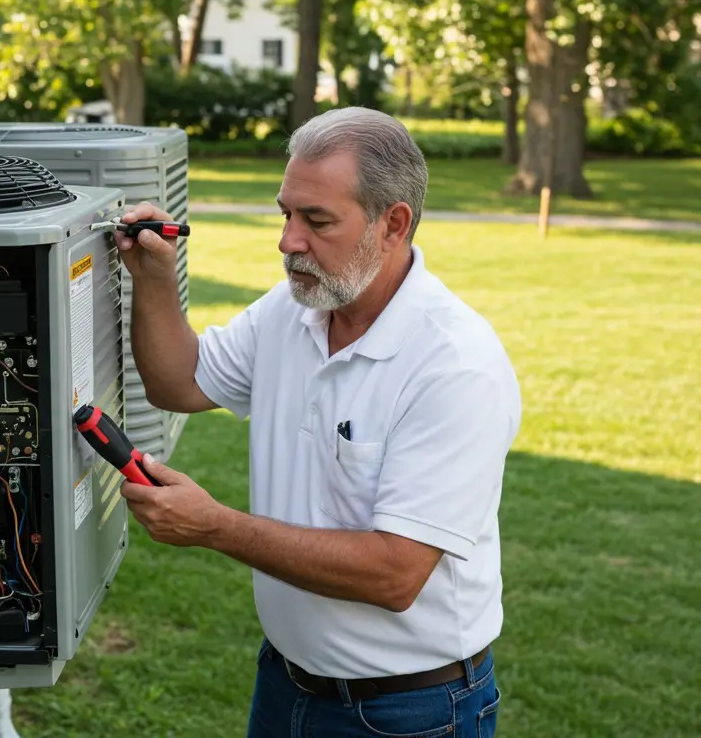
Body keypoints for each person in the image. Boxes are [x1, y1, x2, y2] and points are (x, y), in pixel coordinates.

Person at [112, 106, 521, 738]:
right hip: (286, 681)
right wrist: (154, 277)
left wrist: (216, 527)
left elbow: (394, 573)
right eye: (286, 213)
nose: (287, 241)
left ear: (394, 223)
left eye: (317, 220)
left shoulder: (455, 364)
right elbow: (179, 382)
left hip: (408, 713)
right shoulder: (295, 308)